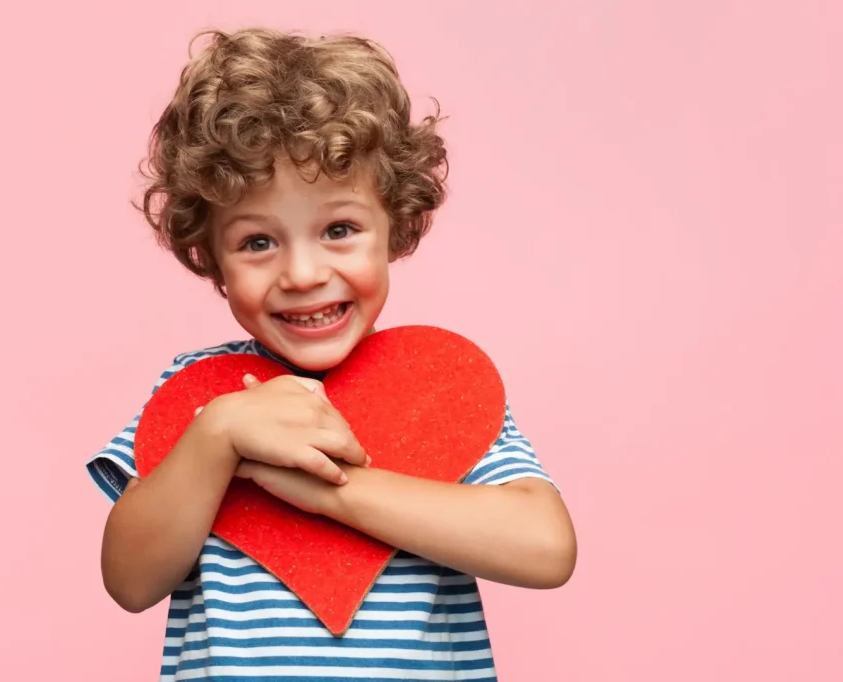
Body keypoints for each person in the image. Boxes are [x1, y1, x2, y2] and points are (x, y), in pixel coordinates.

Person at [86, 27, 576, 681]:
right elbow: (131, 580)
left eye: (339, 230)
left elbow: (545, 548)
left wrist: (332, 494)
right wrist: (221, 434)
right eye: (258, 242)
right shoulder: (200, 391)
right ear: (210, 256)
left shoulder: (440, 385)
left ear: (394, 226)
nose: (303, 273)